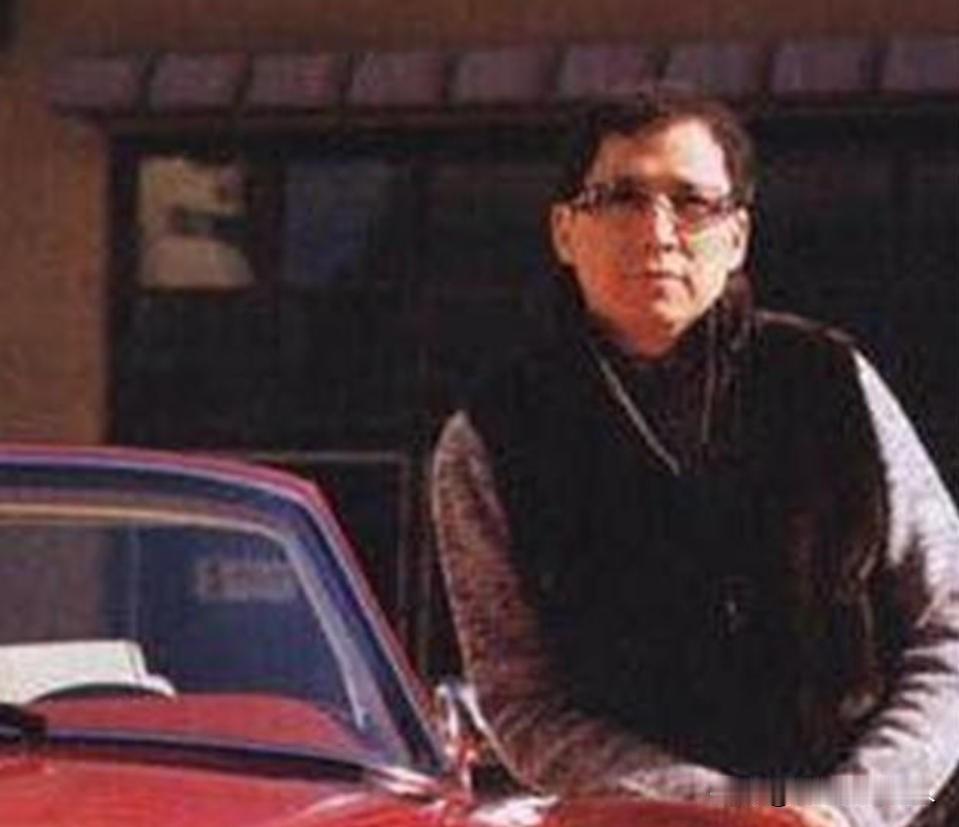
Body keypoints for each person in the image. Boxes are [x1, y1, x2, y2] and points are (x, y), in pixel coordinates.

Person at [430, 86, 959, 827]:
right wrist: (739, 814)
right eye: (620, 198)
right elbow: (523, 704)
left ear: (737, 236)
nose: (657, 233)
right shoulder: (491, 438)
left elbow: (948, 627)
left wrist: (849, 808)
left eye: (692, 202)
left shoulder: (831, 381)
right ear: (564, 232)